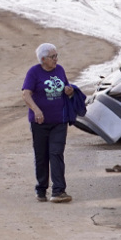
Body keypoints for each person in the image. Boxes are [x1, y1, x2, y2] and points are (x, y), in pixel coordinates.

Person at [21, 43, 75, 204]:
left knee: (56, 153)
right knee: (42, 156)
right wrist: (36, 110)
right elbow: (26, 94)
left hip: (59, 121)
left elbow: (66, 86)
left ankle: (59, 191)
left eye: (56, 56)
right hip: (40, 122)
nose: (56, 59)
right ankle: (41, 189)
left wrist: (69, 90)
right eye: (53, 57)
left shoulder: (60, 70)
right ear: (43, 59)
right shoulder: (34, 72)